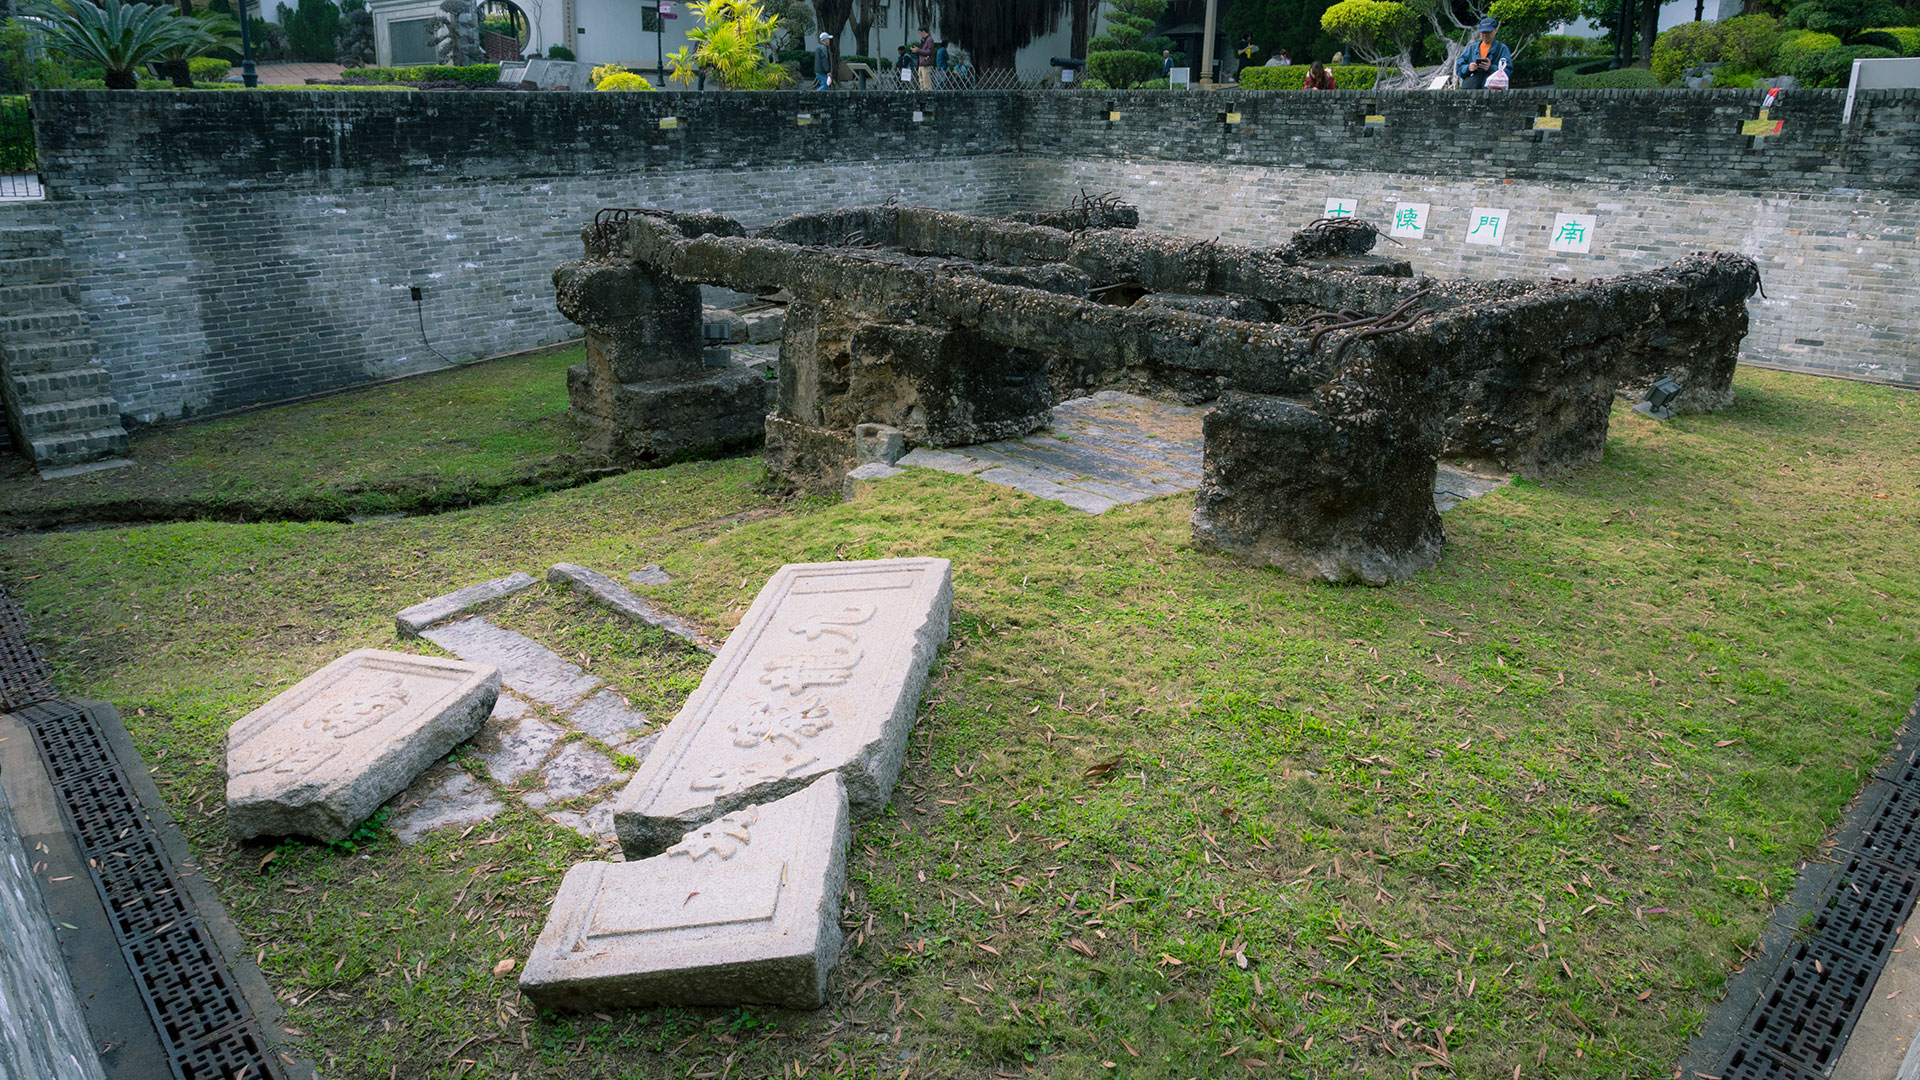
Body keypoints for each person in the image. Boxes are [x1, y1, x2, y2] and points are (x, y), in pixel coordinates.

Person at [1456, 17, 1511, 89]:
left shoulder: (1502, 49)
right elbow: (1459, 68)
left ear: (1495, 31)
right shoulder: (1472, 48)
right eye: (1483, 32)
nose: (1485, 35)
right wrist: (1469, 68)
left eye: (1488, 32)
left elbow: (1508, 71)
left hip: (1493, 91)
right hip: (1473, 90)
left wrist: (1491, 68)